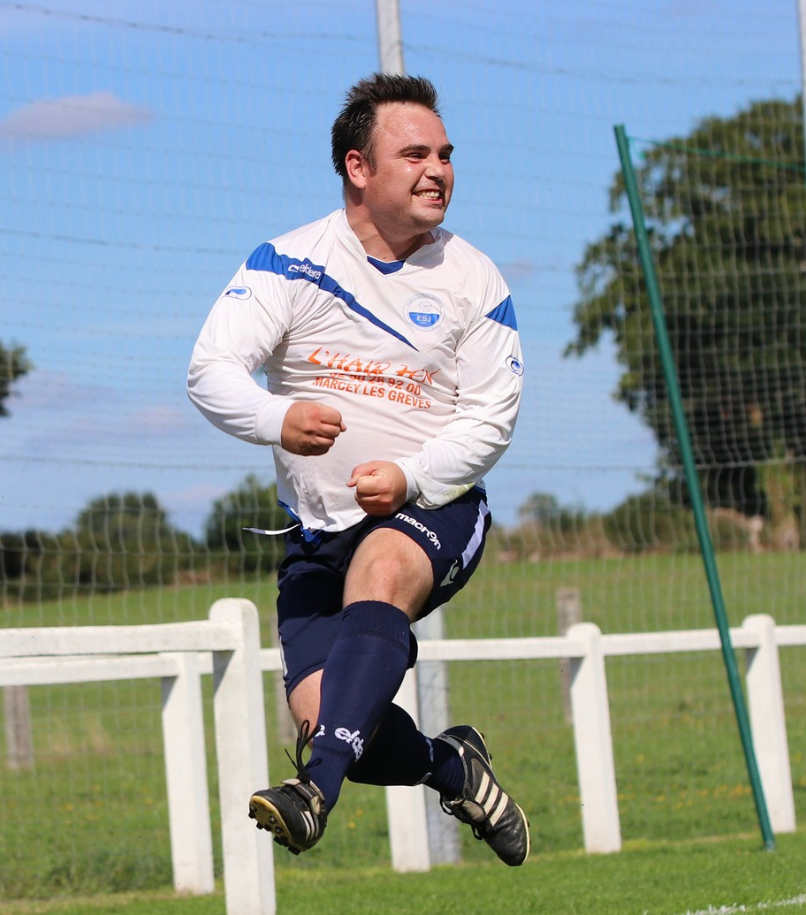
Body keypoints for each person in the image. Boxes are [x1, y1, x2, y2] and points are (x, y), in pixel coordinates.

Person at [186, 73, 528, 866]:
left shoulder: (476, 279)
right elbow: (211, 369)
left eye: (445, 154)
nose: (437, 168)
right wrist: (278, 418)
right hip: (315, 534)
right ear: (357, 168)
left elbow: (492, 416)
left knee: (380, 569)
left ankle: (314, 794)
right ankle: (454, 765)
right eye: (414, 153)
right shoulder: (289, 262)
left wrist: (410, 478)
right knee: (331, 716)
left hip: (434, 508)